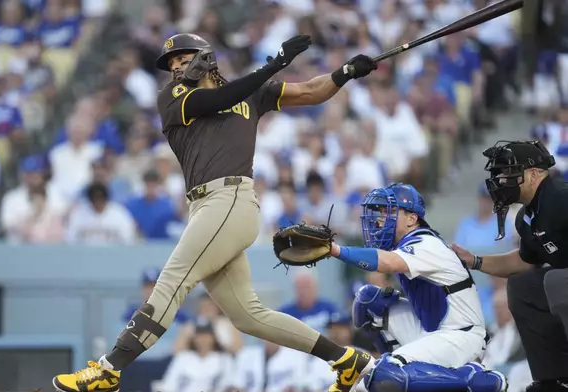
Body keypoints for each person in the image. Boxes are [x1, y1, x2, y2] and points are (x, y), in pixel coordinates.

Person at [53, 33, 378, 392]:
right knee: (248, 316)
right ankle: (347, 359)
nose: (176, 67)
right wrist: (274, 63)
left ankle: (108, 370)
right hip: (206, 207)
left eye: (182, 58)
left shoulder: (250, 92)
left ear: (205, 56)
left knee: (172, 281)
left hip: (230, 200)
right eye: (171, 63)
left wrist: (345, 72)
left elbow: (312, 91)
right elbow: (223, 97)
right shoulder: (174, 97)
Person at [329, 183, 507, 392]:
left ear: (412, 218)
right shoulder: (406, 243)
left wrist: (335, 250)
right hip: (432, 329)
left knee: (384, 376)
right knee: (369, 302)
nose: (381, 218)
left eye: (390, 212)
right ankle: (407, 371)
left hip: (461, 336)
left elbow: (388, 263)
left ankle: (474, 381)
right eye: (382, 212)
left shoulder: (426, 242)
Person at [451, 140, 568, 392]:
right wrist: (474, 260)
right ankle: (554, 378)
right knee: (522, 285)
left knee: (556, 281)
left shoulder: (561, 198)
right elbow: (523, 261)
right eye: (499, 175)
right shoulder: (526, 217)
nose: (502, 180)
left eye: (508, 173)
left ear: (534, 174)